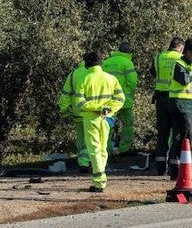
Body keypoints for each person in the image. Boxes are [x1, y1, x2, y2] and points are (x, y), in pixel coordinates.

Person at [73, 51, 125, 192]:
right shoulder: (111, 78)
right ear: (100, 63)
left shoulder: (84, 79)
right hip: (108, 117)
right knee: (103, 148)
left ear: (86, 63)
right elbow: (121, 99)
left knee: (94, 148)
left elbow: (79, 103)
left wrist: (98, 108)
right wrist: (108, 109)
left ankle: (99, 180)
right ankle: (100, 178)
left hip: (91, 118)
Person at [167, 40, 192, 179]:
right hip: (180, 104)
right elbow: (185, 80)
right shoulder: (179, 64)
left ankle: (176, 171)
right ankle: (188, 173)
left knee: (181, 138)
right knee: (190, 138)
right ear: (187, 52)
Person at [152, 37, 184, 175]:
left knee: (162, 133)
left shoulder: (158, 57)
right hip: (176, 99)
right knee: (177, 133)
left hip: (161, 99)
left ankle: (160, 166)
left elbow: (153, 72)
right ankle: (174, 166)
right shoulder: (182, 58)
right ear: (181, 47)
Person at [102, 43, 139, 154]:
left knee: (107, 123)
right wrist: (130, 94)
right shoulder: (127, 63)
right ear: (129, 52)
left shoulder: (106, 62)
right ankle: (124, 148)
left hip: (107, 100)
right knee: (127, 124)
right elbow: (132, 82)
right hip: (124, 99)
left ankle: (106, 149)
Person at [58, 60, 91, 173]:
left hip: (77, 111)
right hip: (91, 112)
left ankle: (82, 161)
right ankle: (86, 161)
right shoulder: (94, 73)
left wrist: (63, 109)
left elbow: (66, 93)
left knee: (81, 139)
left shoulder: (73, 74)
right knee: (91, 139)